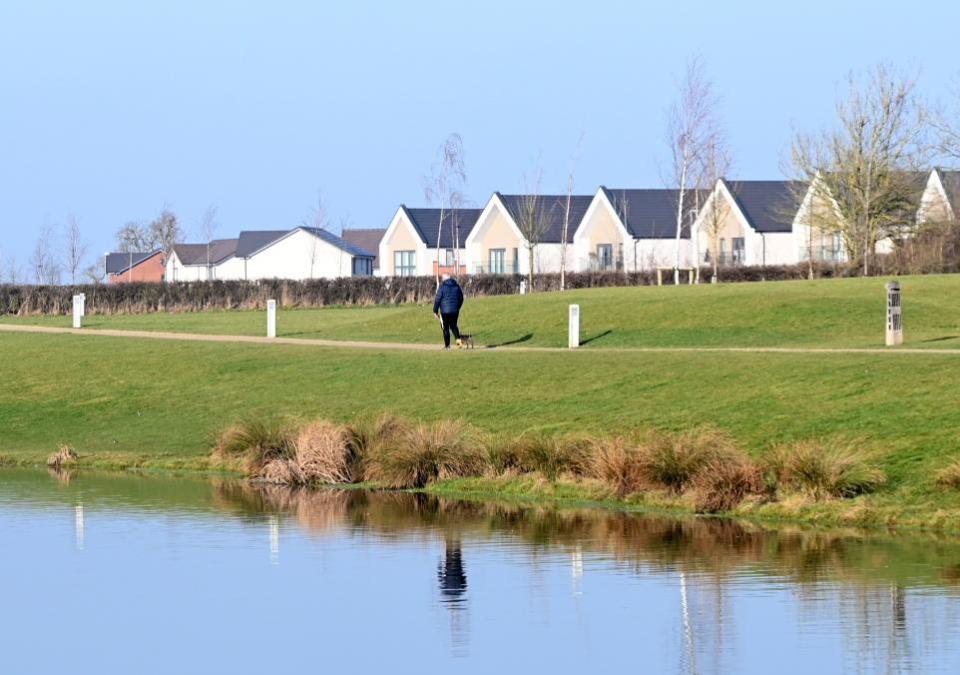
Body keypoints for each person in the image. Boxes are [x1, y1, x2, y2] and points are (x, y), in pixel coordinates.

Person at [433, 274, 464, 349]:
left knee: (445, 328)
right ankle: (459, 343)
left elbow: (437, 300)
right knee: (454, 326)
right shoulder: (457, 286)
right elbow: (461, 298)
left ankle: (447, 346)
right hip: (455, 311)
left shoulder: (442, 287)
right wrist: (457, 307)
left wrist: (435, 311)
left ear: (444, 279)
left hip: (444, 311)